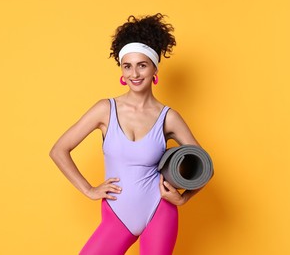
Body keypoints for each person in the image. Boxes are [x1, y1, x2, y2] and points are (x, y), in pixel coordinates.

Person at [49, 13, 203, 255]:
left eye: (142, 65)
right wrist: (89, 190)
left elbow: (204, 166)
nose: (134, 74)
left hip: (159, 211)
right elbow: (58, 150)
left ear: (154, 68)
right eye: (127, 66)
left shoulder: (168, 117)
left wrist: (183, 199)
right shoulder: (104, 110)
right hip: (117, 214)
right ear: (121, 69)